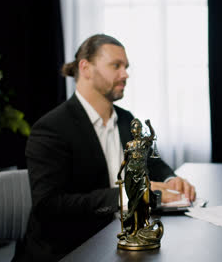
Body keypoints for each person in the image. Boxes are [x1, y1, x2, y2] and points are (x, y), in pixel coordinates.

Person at [13, 34, 196, 262]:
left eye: (126, 67)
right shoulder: (51, 128)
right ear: (86, 68)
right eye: (116, 66)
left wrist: (170, 179)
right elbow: (49, 205)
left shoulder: (127, 120)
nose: (125, 74)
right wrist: (127, 195)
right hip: (70, 250)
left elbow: (154, 164)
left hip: (121, 240)